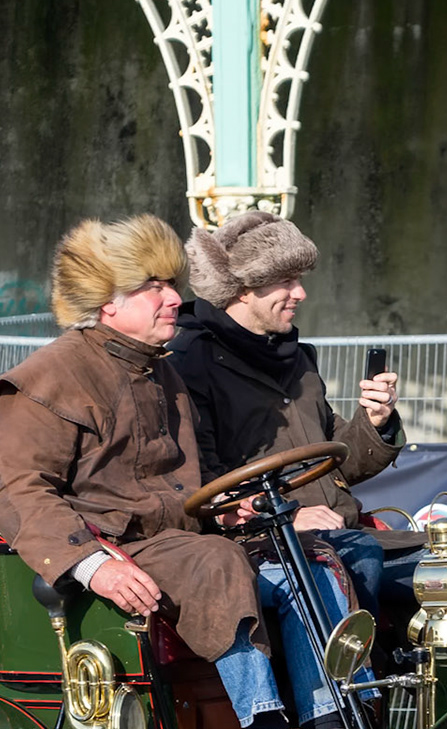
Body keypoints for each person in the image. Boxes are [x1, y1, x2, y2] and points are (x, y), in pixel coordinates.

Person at [0, 214, 357, 729]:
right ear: (107, 302)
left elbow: (185, 485)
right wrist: (94, 564)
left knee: (306, 557)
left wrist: (228, 509)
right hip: (118, 547)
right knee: (217, 563)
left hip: (177, 538)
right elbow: (19, 491)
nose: (174, 300)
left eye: (172, 285)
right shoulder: (50, 376)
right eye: (153, 288)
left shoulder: (162, 372)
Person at [170, 211, 425, 630]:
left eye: (300, 278)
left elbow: (336, 459)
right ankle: (359, 691)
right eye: (286, 281)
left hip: (341, 534)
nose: (301, 293)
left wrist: (376, 421)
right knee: (360, 552)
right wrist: (286, 517)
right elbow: (198, 482)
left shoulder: (297, 358)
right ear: (243, 289)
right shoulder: (190, 361)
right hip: (261, 540)